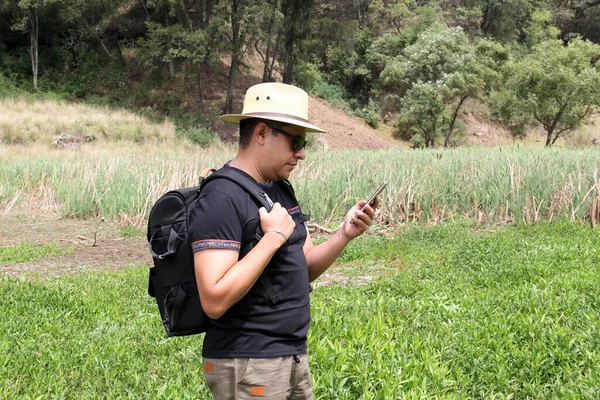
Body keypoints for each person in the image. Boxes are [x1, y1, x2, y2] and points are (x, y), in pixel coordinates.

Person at [190, 82, 378, 399]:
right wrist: (273, 237)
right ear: (262, 133)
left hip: (289, 354)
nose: (302, 153)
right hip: (248, 360)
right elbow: (214, 300)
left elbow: (303, 268)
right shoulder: (222, 197)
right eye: (295, 141)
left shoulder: (278, 188)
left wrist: (344, 234)